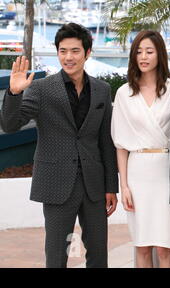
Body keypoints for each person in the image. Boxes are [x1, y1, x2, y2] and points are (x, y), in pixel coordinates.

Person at [0, 23, 118, 268]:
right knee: (56, 255)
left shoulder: (102, 90)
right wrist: (13, 94)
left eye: (75, 51)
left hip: (94, 184)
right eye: (63, 51)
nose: (68, 57)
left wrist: (110, 186)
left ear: (87, 53)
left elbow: (105, 140)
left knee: (98, 254)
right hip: (56, 182)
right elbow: (11, 125)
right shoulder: (42, 89)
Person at [111, 30, 170, 268]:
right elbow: (121, 144)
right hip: (137, 172)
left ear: (159, 54)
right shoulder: (124, 93)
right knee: (141, 245)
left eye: (149, 51)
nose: (143, 56)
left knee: (165, 246)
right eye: (139, 52)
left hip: (166, 171)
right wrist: (124, 185)